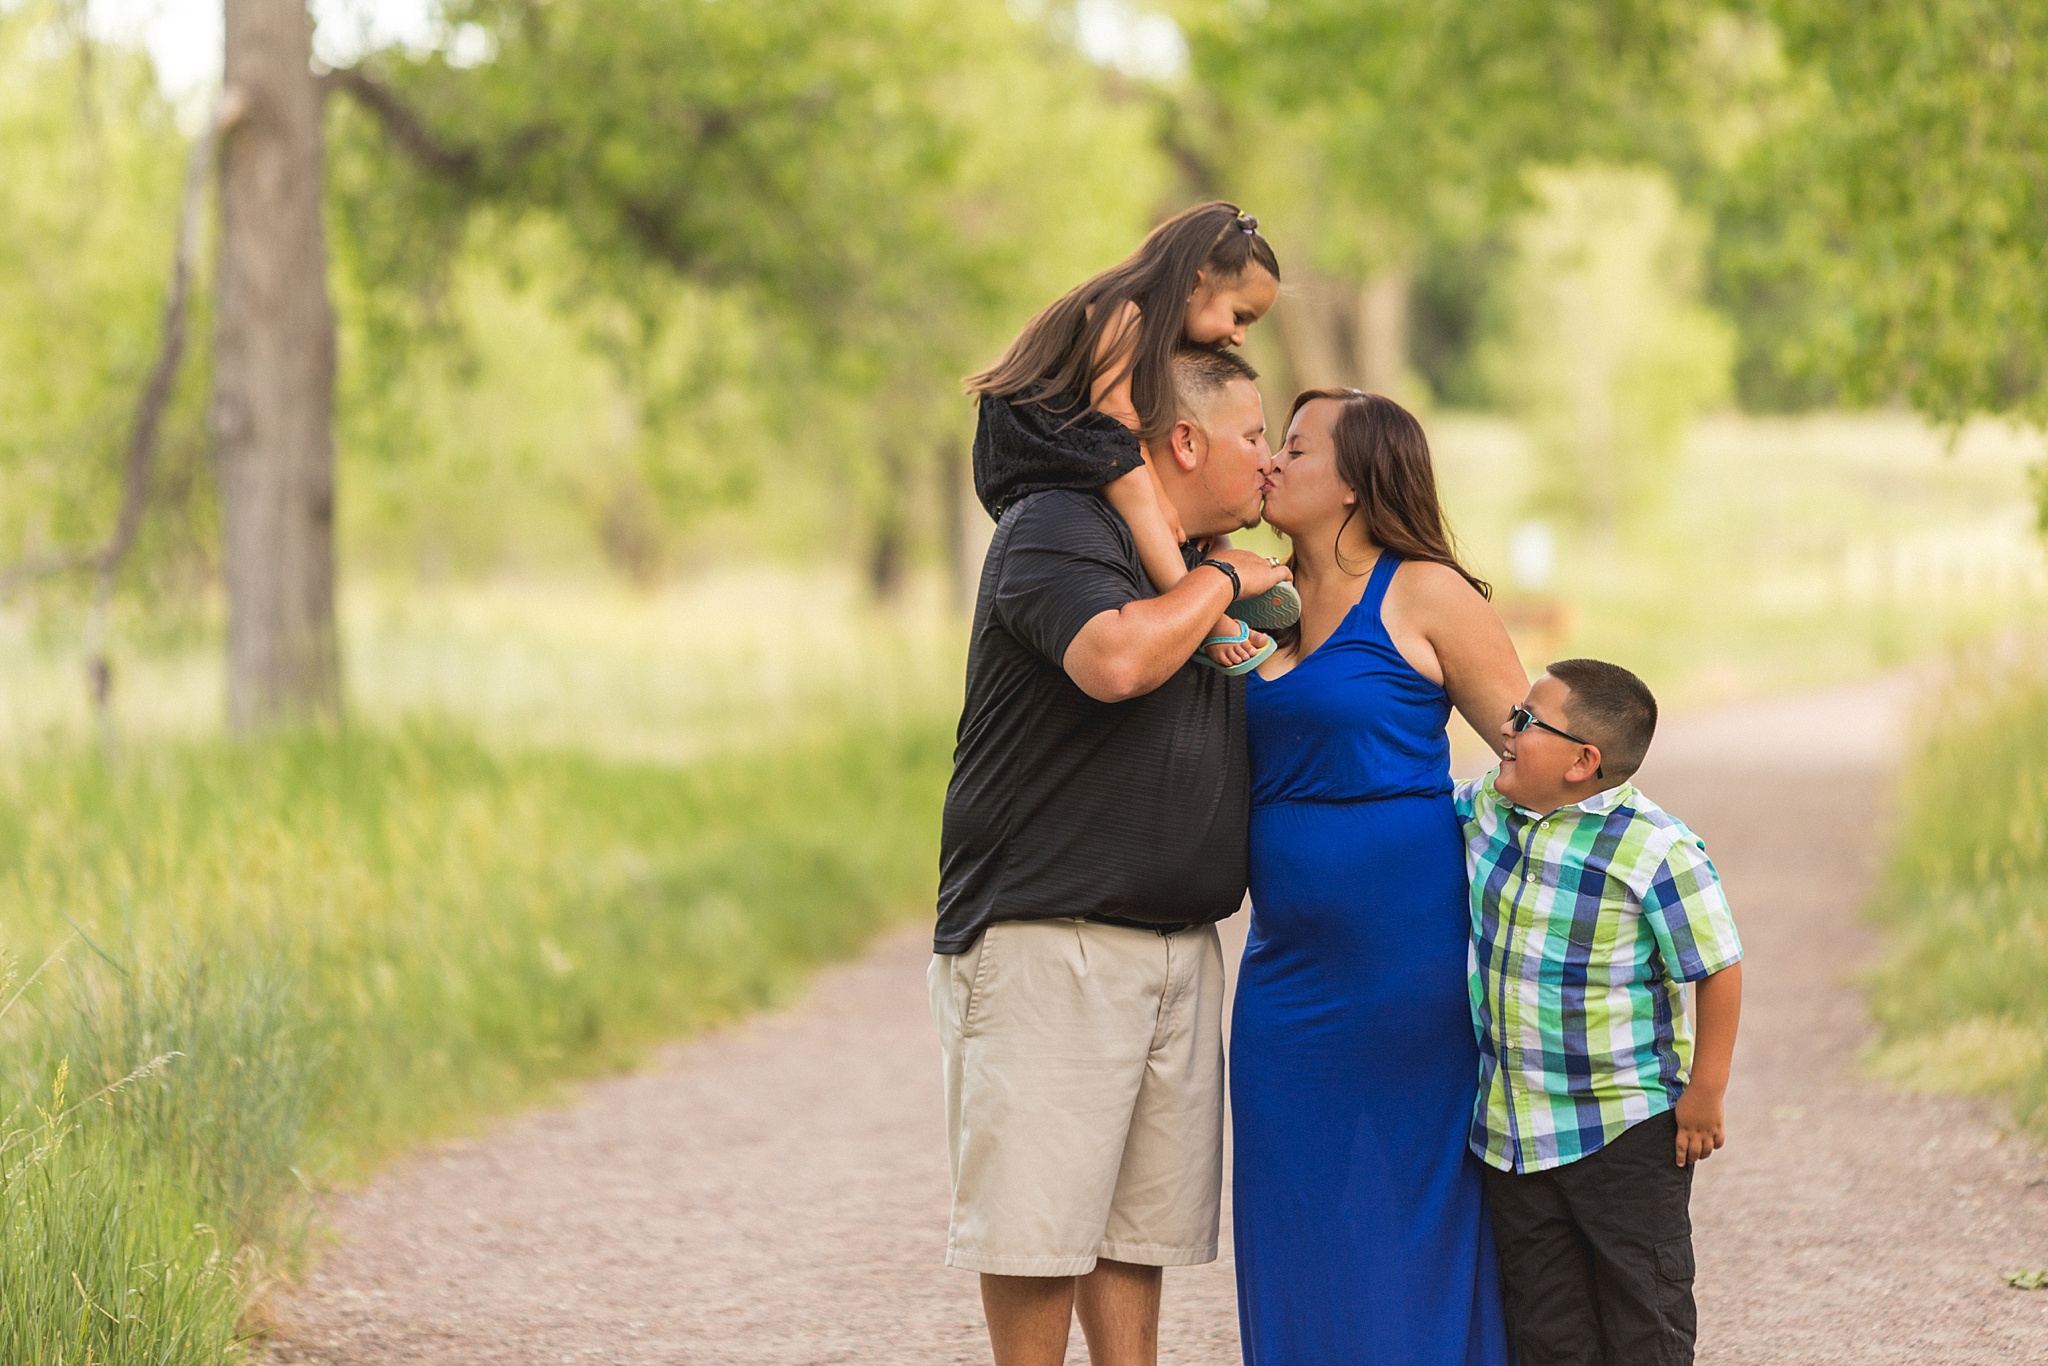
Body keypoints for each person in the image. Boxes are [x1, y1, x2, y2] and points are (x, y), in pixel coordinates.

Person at [930, 345, 1285, 1366]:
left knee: (1138, 1234)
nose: (1265, 460)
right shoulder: (1058, 526)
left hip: (1179, 945)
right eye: (1252, 436)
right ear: (1182, 439)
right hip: (1050, 936)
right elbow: (1116, 660)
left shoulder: (1198, 557)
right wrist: (1219, 579)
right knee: (1039, 1232)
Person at [1232, 389, 1526, 1365]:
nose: (1269, 461)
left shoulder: (1428, 593)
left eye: (1294, 448)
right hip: (1283, 969)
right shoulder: (1242, 595)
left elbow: (1538, 760)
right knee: (1291, 1203)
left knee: (1412, 1201)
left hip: (1408, 959)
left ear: (1355, 482)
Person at [1455, 660, 1745, 1366]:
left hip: (1624, 1129)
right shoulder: (1486, 810)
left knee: (1645, 1314)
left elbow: (1718, 966)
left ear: (1584, 761)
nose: (1506, 729)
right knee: (1546, 1328)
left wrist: (1705, 1094)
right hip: (1514, 1132)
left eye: (1527, 721)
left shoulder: (1656, 850)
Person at [965, 201, 1289, 674]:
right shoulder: (1122, 312)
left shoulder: (1159, 330)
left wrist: (1171, 502)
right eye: (1239, 316)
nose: (1239, 336)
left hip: (1089, 431)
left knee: (1187, 495)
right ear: (1195, 282)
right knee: (1138, 487)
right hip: (1034, 432)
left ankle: (1213, 571)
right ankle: (1203, 608)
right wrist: (1158, 497)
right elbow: (1116, 424)